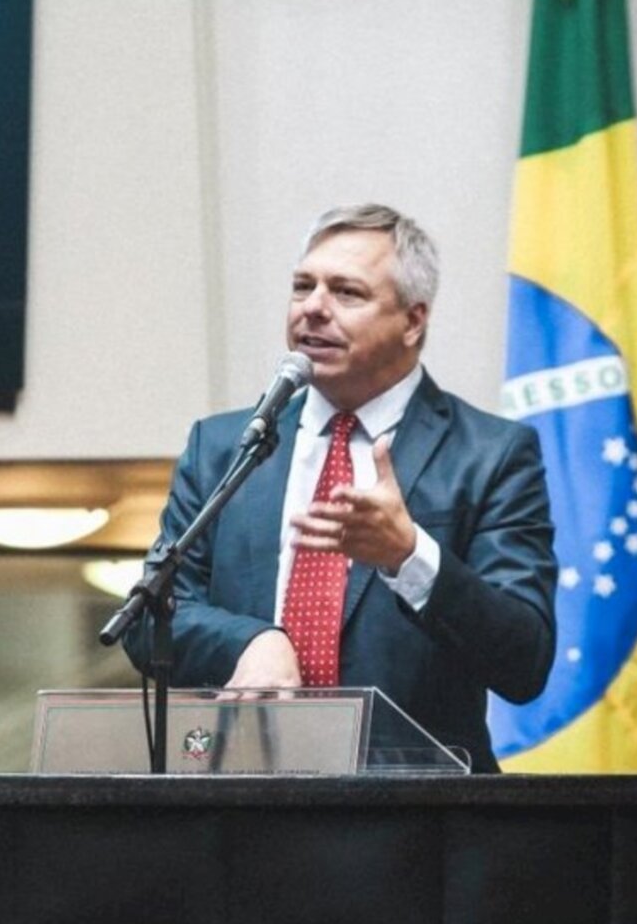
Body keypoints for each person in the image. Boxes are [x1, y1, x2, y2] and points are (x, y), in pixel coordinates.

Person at [124, 203, 557, 772]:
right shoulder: (226, 446)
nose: (312, 308)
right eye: (302, 286)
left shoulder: (490, 455)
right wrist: (252, 641)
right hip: (243, 805)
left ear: (412, 320)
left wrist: (411, 556)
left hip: (416, 822)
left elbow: (525, 660)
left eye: (346, 293)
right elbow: (153, 614)